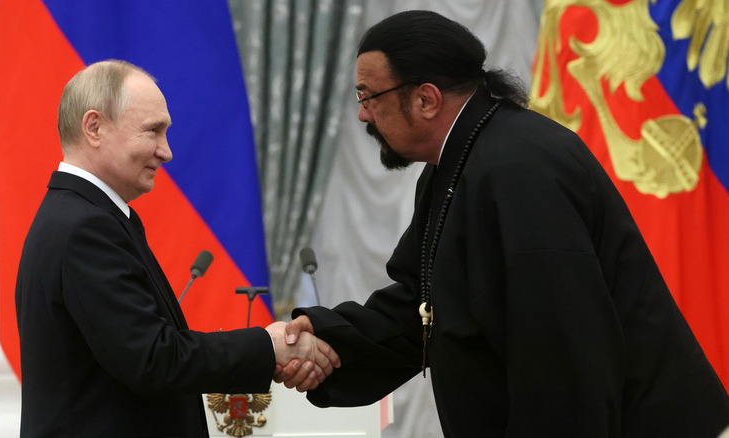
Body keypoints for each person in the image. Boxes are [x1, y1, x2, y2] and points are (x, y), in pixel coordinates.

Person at [276, 10, 729, 437]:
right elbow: (419, 309)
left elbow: (562, 358)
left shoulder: (518, 170)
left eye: (368, 96)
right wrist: (322, 338)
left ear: (426, 99)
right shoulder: (455, 165)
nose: (362, 114)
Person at [15, 59, 339, 437]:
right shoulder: (86, 227)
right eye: (153, 131)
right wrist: (268, 347)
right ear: (94, 127)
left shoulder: (81, 215)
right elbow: (153, 359)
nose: (166, 152)